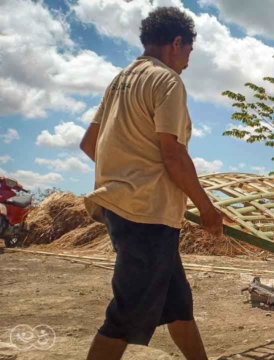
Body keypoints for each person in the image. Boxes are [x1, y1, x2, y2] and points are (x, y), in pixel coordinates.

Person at [79, 7, 224, 360]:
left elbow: (88, 143)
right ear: (177, 43)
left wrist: (126, 173)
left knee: (177, 305)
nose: (188, 60)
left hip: (128, 209)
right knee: (125, 315)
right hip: (145, 215)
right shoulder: (167, 81)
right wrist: (206, 208)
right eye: (189, 51)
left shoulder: (121, 80)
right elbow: (172, 154)